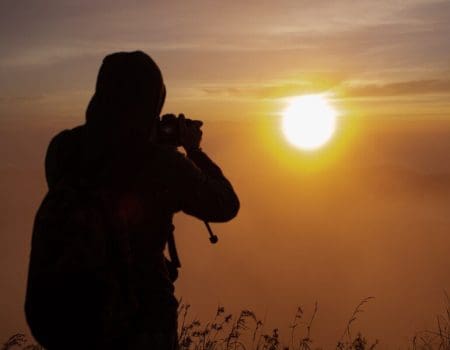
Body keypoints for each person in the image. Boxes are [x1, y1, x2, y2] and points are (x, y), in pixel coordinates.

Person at [31, 51, 240, 349]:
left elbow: (105, 167)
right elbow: (225, 204)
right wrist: (194, 151)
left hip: (76, 322)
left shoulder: (63, 148)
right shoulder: (161, 165)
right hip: (143, 325)